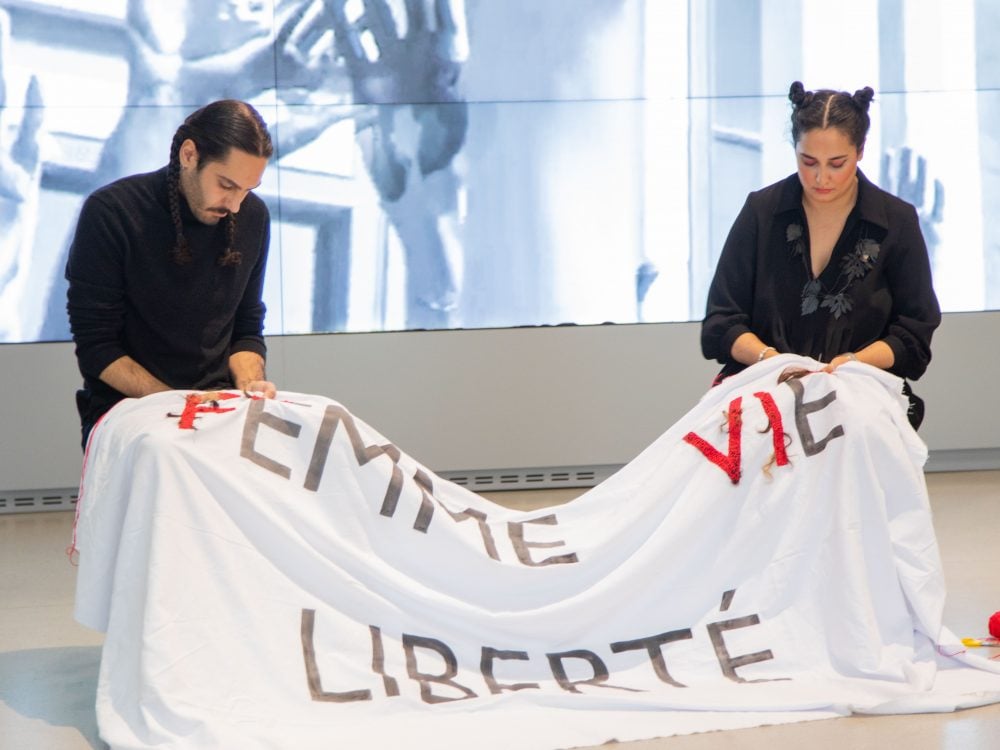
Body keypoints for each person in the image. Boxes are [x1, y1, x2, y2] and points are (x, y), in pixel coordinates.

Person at [701, 81, 941, 429]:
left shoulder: (896, 220)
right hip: (762, 386)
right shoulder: (761, 211)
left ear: (860, 152)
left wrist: (851, 363)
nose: (820, 177)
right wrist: (772, 361)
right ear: (794, 149)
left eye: (836, 163)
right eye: (808, 161)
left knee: (857, 440)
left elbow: (914, 334)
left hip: (861, 389)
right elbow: (721, 322)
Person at [66, 99, 277, 449]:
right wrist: (177, 404)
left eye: (247, 190)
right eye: (226, 185)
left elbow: (246, 328)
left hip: (215, 405)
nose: (235, 205)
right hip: (127, 408)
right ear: (189, 155)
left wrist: (251, 383)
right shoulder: (113, 213)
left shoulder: (253, 217)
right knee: (165, 454)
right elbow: (97, 347)